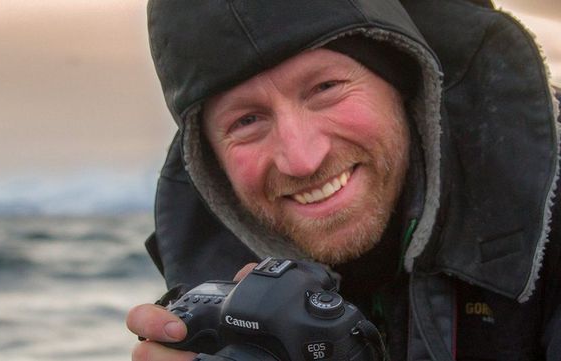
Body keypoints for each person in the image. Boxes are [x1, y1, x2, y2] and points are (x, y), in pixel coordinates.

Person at [127, 0, 561, 360]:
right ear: (210, 164)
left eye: (325, 87)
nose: (301, 159)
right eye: (247, 120)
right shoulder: (218, 301)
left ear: (406, 79)